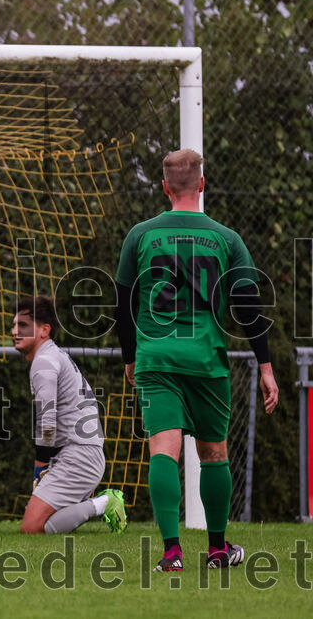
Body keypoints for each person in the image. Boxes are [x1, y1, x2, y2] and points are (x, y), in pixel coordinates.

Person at [114, 149, 278, 571]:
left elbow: (122, 302)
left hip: (157, 358)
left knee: (163, 451)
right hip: (206, 359)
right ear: (202, 184)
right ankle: (219, 550)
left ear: (165, 187)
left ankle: (172, 555)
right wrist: (265, 366)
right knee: (213, 454)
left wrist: (131, 357)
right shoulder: (227, 239)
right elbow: (247, 304)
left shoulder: (141, 235)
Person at [12, 296, 126, 535]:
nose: (14, 331)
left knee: (32, 528)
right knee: (40, 522)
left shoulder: (44, 361)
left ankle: (105, 503)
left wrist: (40, 466)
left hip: (79, 456)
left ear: (45, 330)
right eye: (13, 325)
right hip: (79, 453)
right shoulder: (53, 355)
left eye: (22, 325)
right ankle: (91, 503)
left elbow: (47, 421)